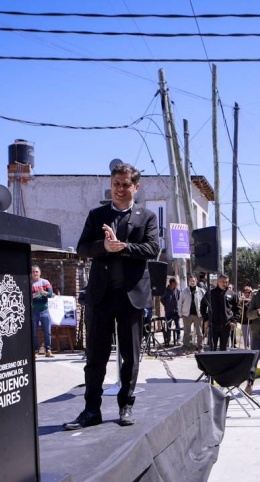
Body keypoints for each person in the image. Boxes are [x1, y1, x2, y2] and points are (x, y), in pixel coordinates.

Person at [63, 162, 158, 430]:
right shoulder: (97, 215)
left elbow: (152, 248)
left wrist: (123, 247)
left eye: (125, 184)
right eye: (115, 184)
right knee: (95, 356)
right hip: (101, 297)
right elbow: (82, 248)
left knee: (131, 356)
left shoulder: (147, 217)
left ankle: (125, 406)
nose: (119, 189)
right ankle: (91, 410)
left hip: (132, 298)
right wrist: (104, 246)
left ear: (135, 187)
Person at [201, 273, 238, 351]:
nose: (225, 284)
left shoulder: (232, 294)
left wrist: (234, 321)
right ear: (218, 282)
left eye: (226, 282)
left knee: (223, 349)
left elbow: (237, 308)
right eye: (223, 282)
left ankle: (223, 363)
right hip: (213, 325)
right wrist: (206, 319)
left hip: (226, 325)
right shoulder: (211, 293)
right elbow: (203, 305)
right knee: (212, 349)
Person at [31, 265, 54, 357]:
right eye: (33, 271)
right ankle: (35, 350)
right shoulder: (30, 283)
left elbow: (50, 294)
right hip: (34, 311)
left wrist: (43, 292)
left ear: (40, 273)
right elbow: (28, 296)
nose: (35, 273)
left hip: (45, 311)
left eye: (37, 271)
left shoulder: (45, 282)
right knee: (34, 332)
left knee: (47, 331)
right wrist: (37, 294)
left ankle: (48, 350)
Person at [179, 275, 205, 353]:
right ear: (189, 282)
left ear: (196, 281)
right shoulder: (184, 291)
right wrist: (180, 313)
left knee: (199, 332)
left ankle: (200, 347)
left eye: (193, 281)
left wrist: (204, 313)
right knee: (187, 332)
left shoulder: (201, 291)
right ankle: (187, 347)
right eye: (191, 281)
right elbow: (180, 303)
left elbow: (204, 303)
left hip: (198, 315)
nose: (192, 282)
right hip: (187, 315)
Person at [161, 277, 181, 346]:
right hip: (168, 312)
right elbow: (162, 299)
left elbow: (180, 300)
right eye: (176, 283)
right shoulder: (165, 291)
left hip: (176, 311)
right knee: (168, 326)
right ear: (172, 283)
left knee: (177, 325)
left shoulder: (178, 291)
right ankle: (168, 339)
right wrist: (166, 305)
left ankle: (178, 339)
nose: (177, 284)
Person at [237, 284, 253, 349]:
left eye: (248, 292)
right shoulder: (241, 300)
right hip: (244, 321)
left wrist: (251, 299)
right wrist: (241, 301)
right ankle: (246, 348)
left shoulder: (253, 299)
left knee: (252, 337)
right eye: (245, 292)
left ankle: (252, 349)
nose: (247, 294)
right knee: (245, 337)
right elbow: (239, 308)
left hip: (252, 321)